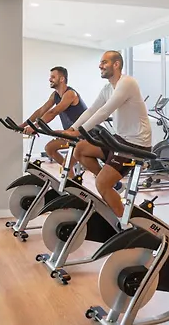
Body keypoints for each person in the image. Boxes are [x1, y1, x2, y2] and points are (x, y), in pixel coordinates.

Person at [63, 51, 152, 218]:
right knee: (80, 149)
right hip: (120, 139)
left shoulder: (127, 83)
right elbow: (92, 110)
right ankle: (115, 186)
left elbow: (105, 111)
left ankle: (126, 223)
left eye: (104, 62)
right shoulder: (107, 88)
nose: (100, 66)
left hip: (136, 144)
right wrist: (72, 129)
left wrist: (80, 132)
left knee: (102, 184)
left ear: (116, 64)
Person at [19, 66, 87, 173]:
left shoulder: (70, 94)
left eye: (53, 77)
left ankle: (69, 174)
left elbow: (53, 112)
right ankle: (71, 177)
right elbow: (41, 111)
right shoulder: (55, 95)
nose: (50, 79)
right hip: (70, 135)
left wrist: (35, 127)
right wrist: (23, 125)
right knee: (50, 149)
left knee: (66, 164)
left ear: (62, 79)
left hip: (83, 135)